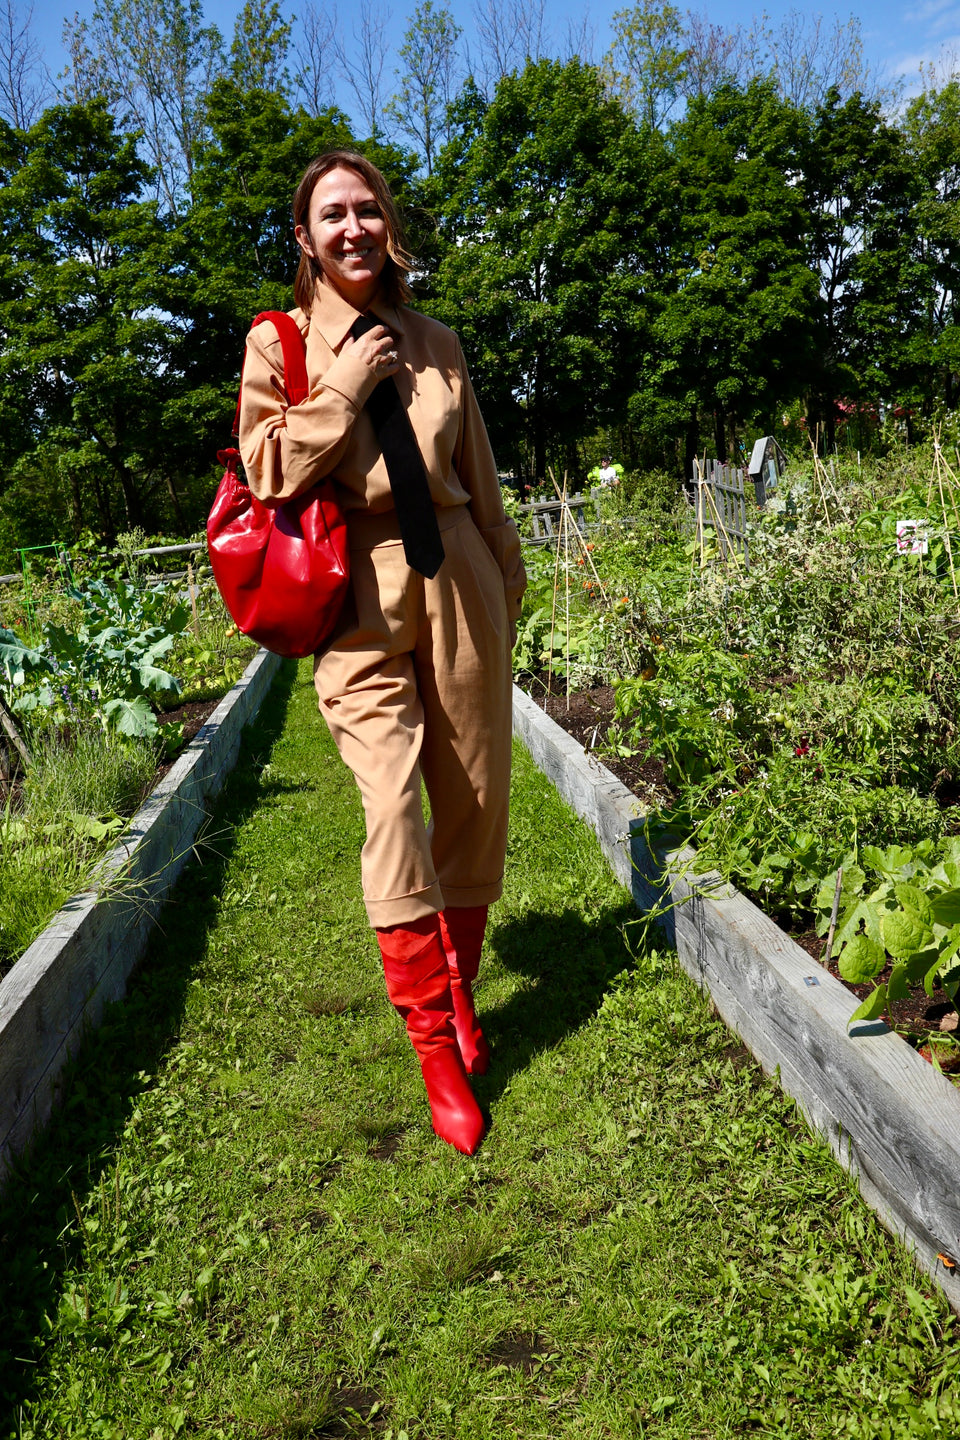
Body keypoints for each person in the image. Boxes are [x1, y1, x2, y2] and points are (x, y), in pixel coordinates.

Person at [238, 151, 526, 1156]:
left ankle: (464, 997)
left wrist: (507, 588)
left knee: (477, 799)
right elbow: (268, 468)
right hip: (355, 591)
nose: (353, 227)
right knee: (393, 803)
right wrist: (344, 389)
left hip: (460, 580)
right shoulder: (280, 343)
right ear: (306, 238)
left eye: (367, 209)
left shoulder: (439, 341)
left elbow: (479, 480)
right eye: (332, 214)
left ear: (387, 223)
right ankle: (435, 1046)